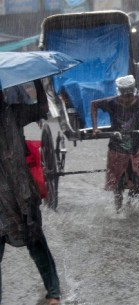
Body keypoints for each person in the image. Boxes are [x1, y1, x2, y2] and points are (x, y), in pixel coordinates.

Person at [0, 80, 61, 305]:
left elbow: (41, 109)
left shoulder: (13, 114)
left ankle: (53, 292)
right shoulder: (12, 113)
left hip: (21, 192)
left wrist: (38, 83)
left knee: (36, 242)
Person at [91, 75, 139, 212]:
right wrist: (95, 127)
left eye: (130, 96)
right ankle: (119, 209)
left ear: (133, 93)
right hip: (117, 147)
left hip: (135, 147)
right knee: (118, 184)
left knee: (138, 181)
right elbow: (94, 105)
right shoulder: (112, 103)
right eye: (124, 96)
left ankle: (131, 207)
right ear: (119, 93)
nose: (127, 100)